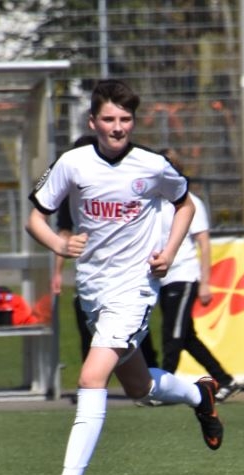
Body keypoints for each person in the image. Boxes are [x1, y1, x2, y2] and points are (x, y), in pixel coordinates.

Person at [23, 79, 225, 475]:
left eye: (126, 119)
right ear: (93, 121)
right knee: (139, 388)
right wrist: (59, 244)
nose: (118, 127)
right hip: (92, 290)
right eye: (109, 119)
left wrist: (169, 251)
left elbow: (186, 205)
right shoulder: (72, 163)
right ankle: (200, 393)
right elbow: (35, 217)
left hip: (134, 290)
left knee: (91, 376)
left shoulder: (152, 165)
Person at [52, 136, 158, 370]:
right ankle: (195, 389)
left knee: (133, 349)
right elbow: (62, 231)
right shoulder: (73, 192)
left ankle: (95, 384)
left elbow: (181, 204)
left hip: (127, 283)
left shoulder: (126, 187)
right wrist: (58, 270)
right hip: (91, 283)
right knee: (96, 348)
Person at [154, 147, 240, 403]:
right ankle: (225, 380)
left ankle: (163, 387)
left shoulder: (190, 202)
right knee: (186, 337)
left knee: (172, 335)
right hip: (163, 279)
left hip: (183, 276)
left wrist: (205, 283)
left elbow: (203, 242)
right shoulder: (155, 202)